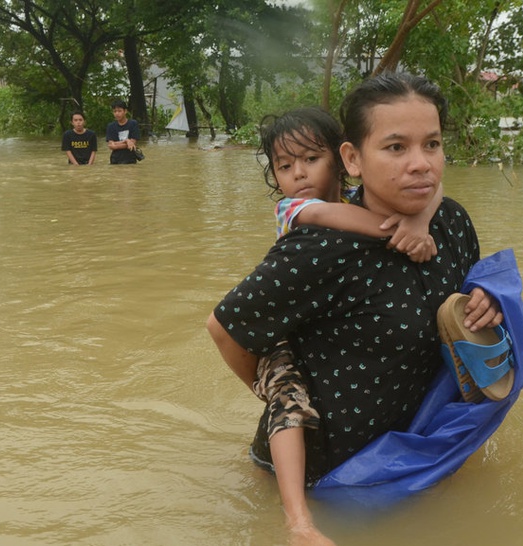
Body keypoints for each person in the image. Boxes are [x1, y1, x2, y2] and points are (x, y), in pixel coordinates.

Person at [207, 72, 503, 545]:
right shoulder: (318, 248)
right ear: (353, 158)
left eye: (432, 144)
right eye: (395, 148)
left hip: (419, 463)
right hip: (331, 485)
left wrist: (489, 300)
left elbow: (464, 298)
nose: (420, 164)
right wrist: (282, 396)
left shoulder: (449, 222)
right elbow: (225, 330)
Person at [248, 106, 443, 544]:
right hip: (282, 332)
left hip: (315, 327)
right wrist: (410, 223)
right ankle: (298, 521)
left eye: (310, 159)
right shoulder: (298, 209)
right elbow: (348, 221)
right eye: (284, 166)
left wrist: (422, 214)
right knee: (288, 405)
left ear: (342, 159)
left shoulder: (358, 193)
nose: (297, 173)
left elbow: (437, 183)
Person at [105, 100, 141, 164]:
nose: (117, 113)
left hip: (130, 160)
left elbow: (133, 143)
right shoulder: (110, 126)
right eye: (115, 111)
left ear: (125, 111)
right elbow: (111, 146)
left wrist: (116, 144)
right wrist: (126, 141)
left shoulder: (133, 124)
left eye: (119, 111)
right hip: (115, 160)